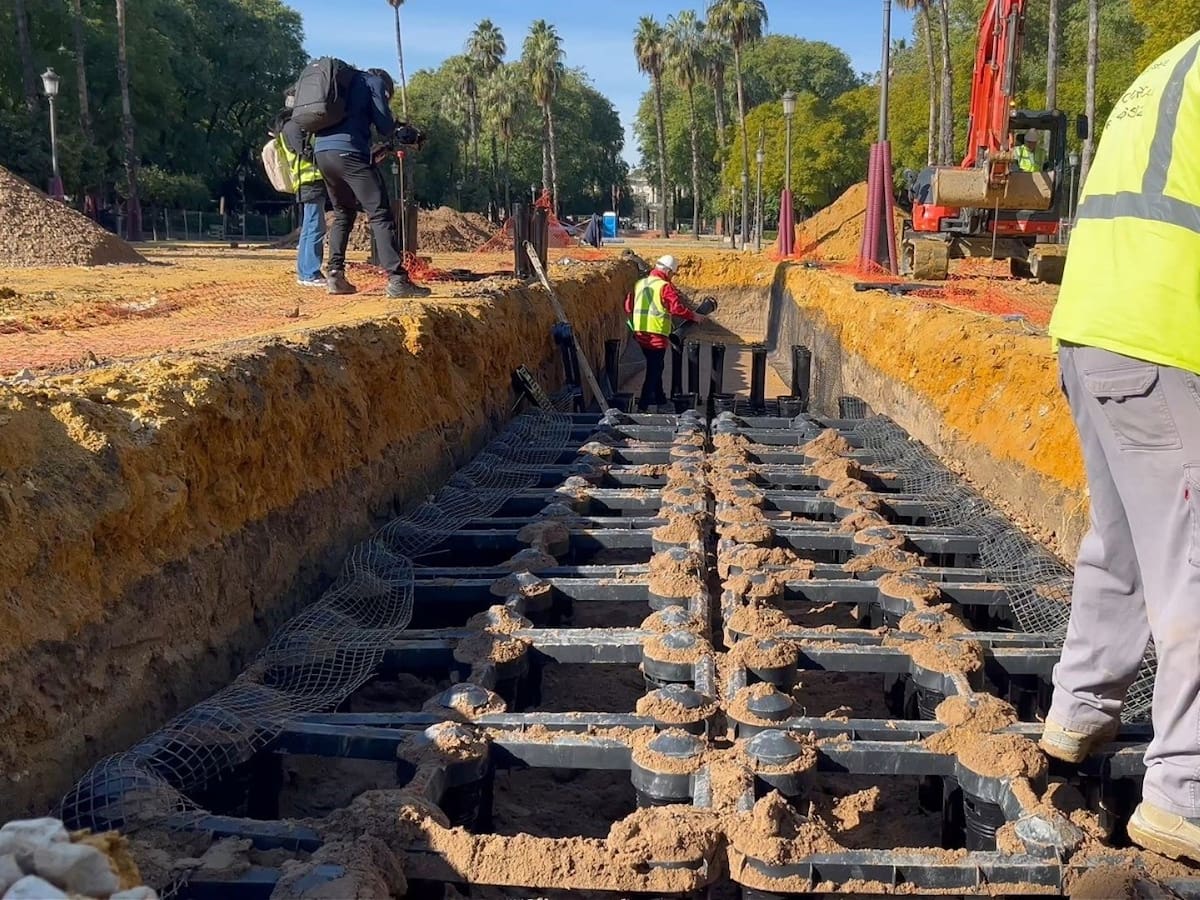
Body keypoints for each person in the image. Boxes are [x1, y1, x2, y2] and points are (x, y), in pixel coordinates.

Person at [1040, 30, 1200, 862]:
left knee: (1126, 545)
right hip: (1168, 336)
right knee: (1192, 562)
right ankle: (1188, 792)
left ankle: (1079, 714)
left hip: (1093, 333)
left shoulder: (1172, 64)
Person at [313, 67, 429, 298]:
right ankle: (397, 280)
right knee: (380, 215)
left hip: (322, 153)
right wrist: (404, 131)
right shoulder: (374, 82)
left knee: (343, 213)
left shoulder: (344, 85)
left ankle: (335, 275)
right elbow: (385, 125)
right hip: (349, 152)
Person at [624, 255, 706, 412]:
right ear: (668, 271)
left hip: (640, 332)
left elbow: (628, 306)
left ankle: (660, 400)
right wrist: (694, 316)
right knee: (654, 370)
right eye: (672, 273)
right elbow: (676, 308)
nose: (672, 277)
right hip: (656, 334)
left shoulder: (641, 283)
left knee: (657, 366)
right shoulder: (664, 286)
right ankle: (643, 406)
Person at [274, 91, 327, 287]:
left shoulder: (289, 126)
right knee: (315, 227)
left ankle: (306, 271)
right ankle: (310, 273)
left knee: (309, 227)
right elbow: (306, 153)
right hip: (309, 181)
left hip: (308, 181)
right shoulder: (293, 127)